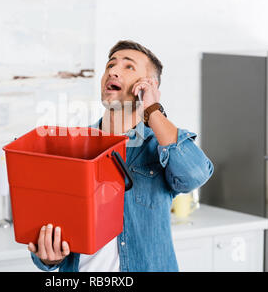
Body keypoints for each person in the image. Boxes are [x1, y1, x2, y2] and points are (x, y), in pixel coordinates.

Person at [28, 39, 214, 272]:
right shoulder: (74, 149)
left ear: (149, 85)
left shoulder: (160, 145)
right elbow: (53, 233)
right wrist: (49, 258)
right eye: (110, 65)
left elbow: (194, 175)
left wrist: (152, 110)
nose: (113, 71)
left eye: (128, 67)